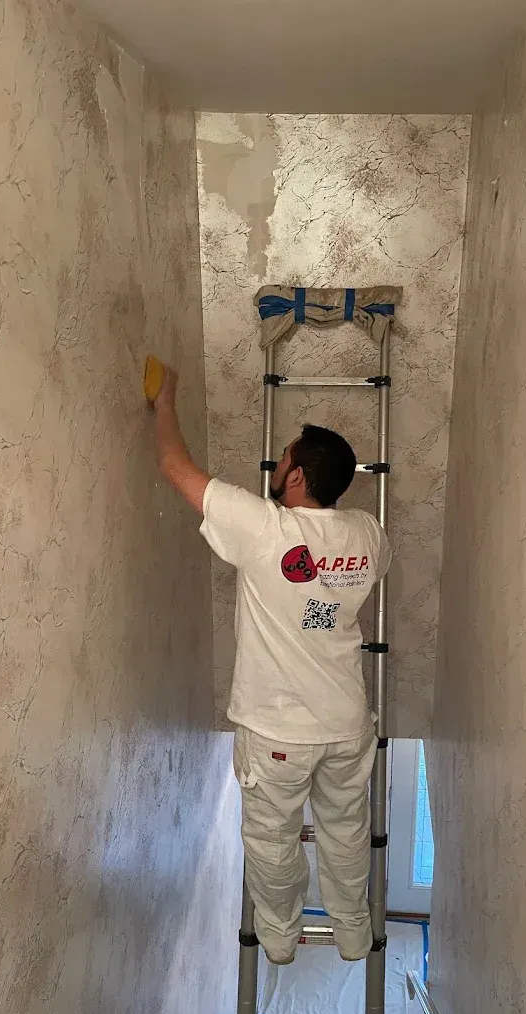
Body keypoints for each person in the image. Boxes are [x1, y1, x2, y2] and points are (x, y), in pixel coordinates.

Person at [151, 362, 391, 966]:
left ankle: (280, 938)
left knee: (273, 842)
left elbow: (176, 469)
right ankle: (352, 932)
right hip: (345, 725)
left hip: (278, 732)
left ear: (298, 476)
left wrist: (167, 400)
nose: (275, 466)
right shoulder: (368, 532)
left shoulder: (265, 529)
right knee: (345, 834)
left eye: (283, 459)